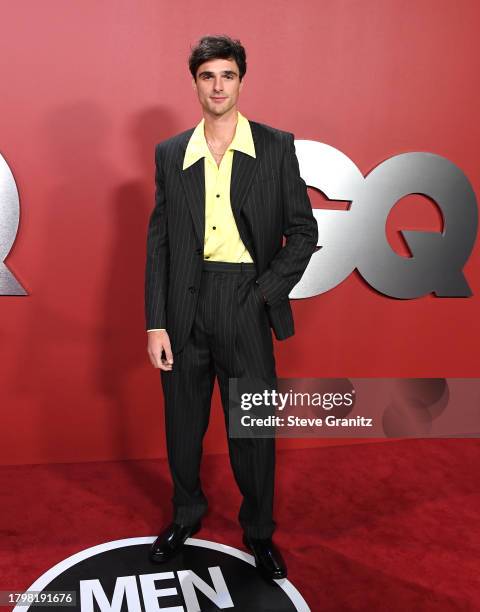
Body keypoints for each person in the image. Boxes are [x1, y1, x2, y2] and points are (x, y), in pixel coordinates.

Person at [145, 35, 318, 581]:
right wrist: (156, 321)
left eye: (228, 76)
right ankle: (186, 514)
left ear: (242, 81)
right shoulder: (171, 153)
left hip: (246, 299)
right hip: (183, 306)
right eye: (207, 76)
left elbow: (303, 230)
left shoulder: (274, 145)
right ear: (194, 82)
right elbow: (160, 245)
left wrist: (266, 292)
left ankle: (260, 531)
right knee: (183, 426)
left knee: (253, 427)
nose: (218, 86)